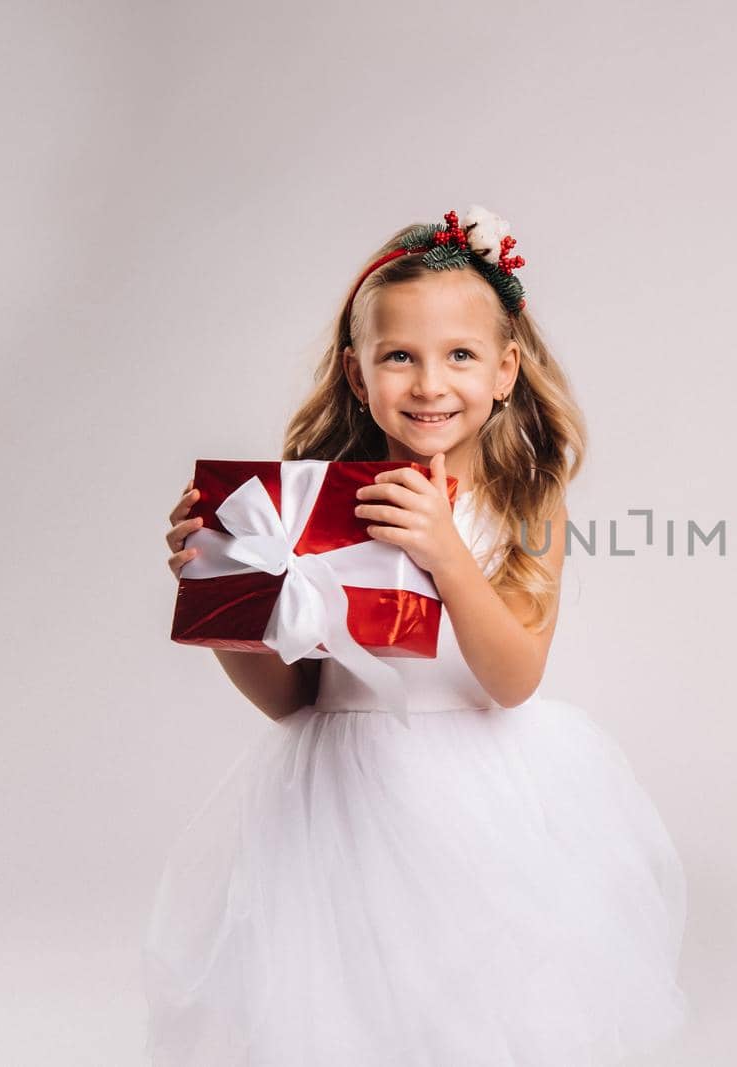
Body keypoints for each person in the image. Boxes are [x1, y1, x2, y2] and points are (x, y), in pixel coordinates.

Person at [147, 206, 686, 1065]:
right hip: (339, 805)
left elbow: (513, 676)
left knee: (477, 1014)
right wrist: (225, 600)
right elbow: (293, 701)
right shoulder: (324, 505)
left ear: (507, 370)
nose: (430, 382)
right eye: (399, 355)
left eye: (460, 355)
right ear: (359, 377)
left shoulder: (523, 501)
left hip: (490, 804)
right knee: (348, 1014)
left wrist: (444, 551)